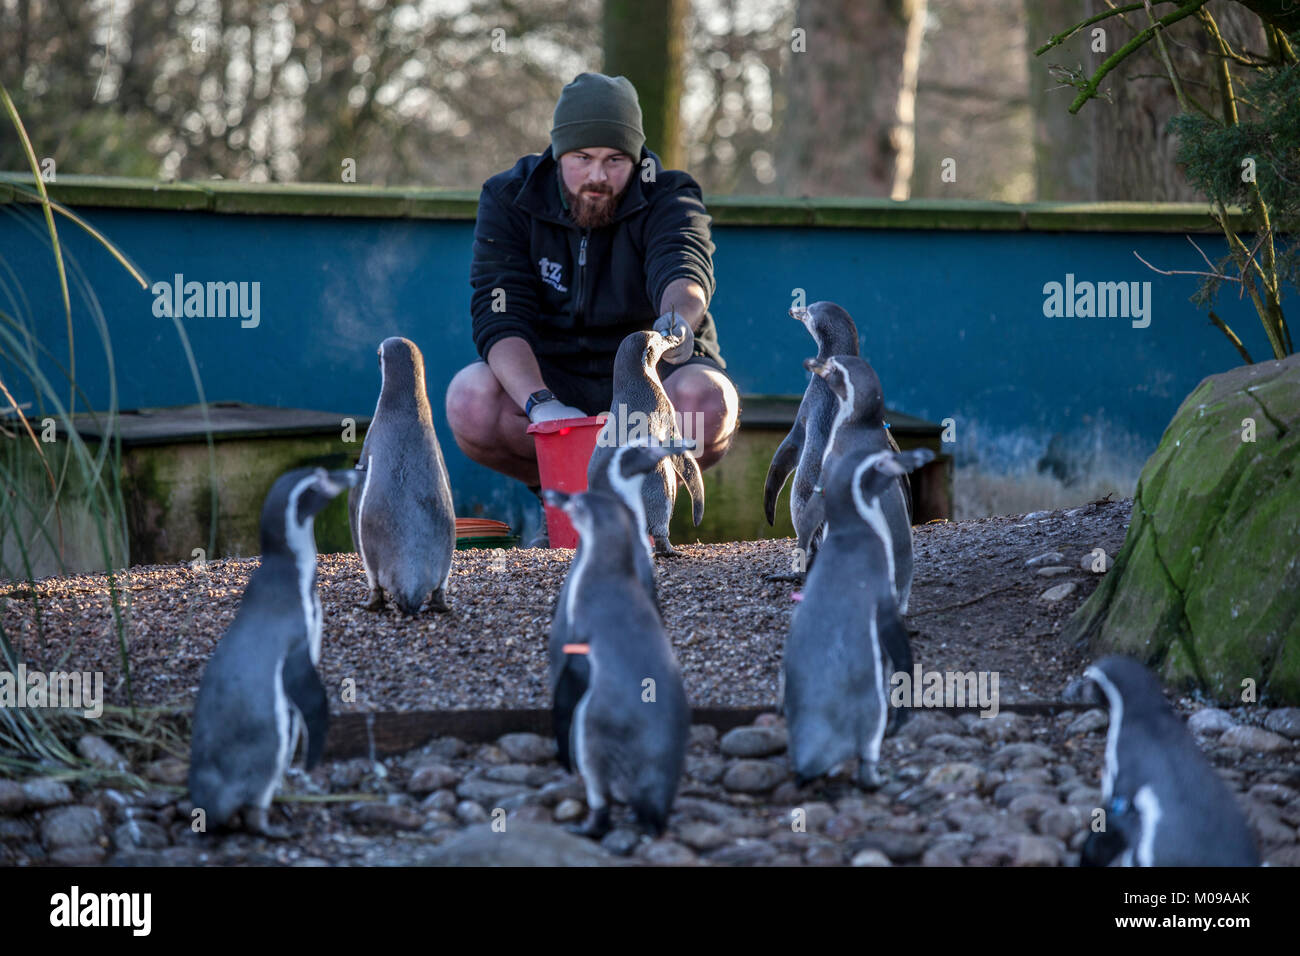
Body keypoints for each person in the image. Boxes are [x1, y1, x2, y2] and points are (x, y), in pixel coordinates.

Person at [446, 73, 739, 536]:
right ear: (559, 153)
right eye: (582, 158)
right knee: (470, 399)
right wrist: (541, 403)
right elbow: (499, 314)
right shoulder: (508, 196)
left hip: (650, 378)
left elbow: (683, 265)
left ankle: (650, 512)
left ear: (636, 157)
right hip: (552, 380)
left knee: (709, 401)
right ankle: (558, 496)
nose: (598, 176)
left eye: (616, 159)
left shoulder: (670, 193)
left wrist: (677, 324)